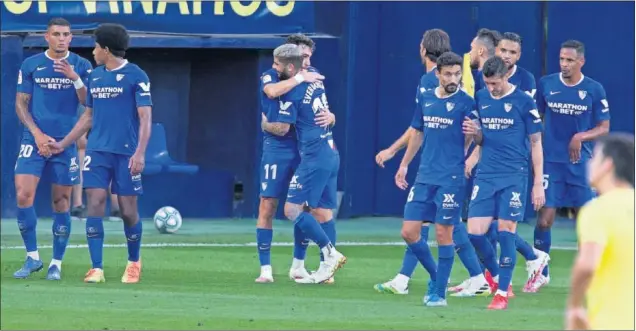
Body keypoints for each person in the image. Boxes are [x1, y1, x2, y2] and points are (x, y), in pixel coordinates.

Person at [48, 23, 152, 284]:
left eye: (96, 47)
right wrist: (64, 143)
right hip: (97, 151)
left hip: (126, 152)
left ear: (105, 49)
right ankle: (97, 268)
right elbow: (88, 117)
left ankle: (133, 262)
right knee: (94, 202)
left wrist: (140, 153)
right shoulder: (95, 76)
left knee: (128, 211)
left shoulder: (136, 75)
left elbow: (146, 117)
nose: (93, 52)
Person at [392, 52, 489, 306]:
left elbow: (479, 139)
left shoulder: (467, 103)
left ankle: (438, 295)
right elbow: (417, 133)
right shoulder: (426, 98)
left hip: (451, 178)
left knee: (444, 234)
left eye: (457, 74)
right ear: (438, 74)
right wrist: (403, 165)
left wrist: (475, 133)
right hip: (425, 176)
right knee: (409, 232)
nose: (453, 78)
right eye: (448, 74)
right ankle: (438, 277)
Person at [462, 56, 546, 310]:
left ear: (507, 76)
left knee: (505, 230)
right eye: (487, 83)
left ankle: (501, 293)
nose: (491, 88)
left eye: (495, 83)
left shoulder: (524, 101)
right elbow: (482, 138)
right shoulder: (482, 98)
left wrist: (538, 183)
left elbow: (536, 143)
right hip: (486, 174)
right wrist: (474, 137)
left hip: (514, 175)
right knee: (475, 233)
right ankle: (500, 276)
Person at [13, 17, 92, 280]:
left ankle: (56, 263)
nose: (61, 38)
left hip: (65, 143)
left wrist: (74, 78)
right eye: (56, 34)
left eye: (66, 34)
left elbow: (88, 103)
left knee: (61, 201)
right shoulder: (31, 64)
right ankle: (32, 257)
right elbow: (21, 104)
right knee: (24, 194)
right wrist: (37, 135)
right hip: (33, 140)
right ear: (46, 37)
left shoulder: (81, 65)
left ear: (71, 38)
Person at [261, 44, 345, 284]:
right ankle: (324, 270)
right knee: (321, 210)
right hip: (330, 152)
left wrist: (266, 121)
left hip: (315, 156)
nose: (274, 68)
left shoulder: (295, 90)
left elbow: (274, 99)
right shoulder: (315, 82)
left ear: (289, 66)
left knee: (292, 210)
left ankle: (330, 255)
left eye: (277, 65)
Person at [531, 40, 610, 292]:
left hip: (580, 164)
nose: (564, 64)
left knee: (585, 222)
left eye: (569, 60)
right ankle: (540, 273)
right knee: (545, 218)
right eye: (562, 59)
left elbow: (604, 127)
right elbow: (535, 118)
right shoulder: (547, 84)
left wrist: (580, 137)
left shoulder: (593, 89)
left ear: (581, 62)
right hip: (551, 163)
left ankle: (588, 276)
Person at [565, 134, 634, 330]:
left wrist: (575, 306)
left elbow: (587, 264)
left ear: (607, 165)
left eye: (594, 157)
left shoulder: (598, 209)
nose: (589, 163)